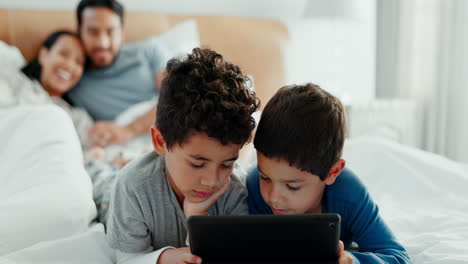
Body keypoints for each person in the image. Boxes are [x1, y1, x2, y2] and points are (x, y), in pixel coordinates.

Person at [106, 48, 260, 264]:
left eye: (227, 164)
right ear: (160, 141)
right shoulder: (133, 186)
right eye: (198, 164)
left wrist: (197, 221)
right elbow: (126, 258)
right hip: (112, 187)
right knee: (104, 179)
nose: (212, 181)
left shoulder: (235, 191)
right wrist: (162, 259)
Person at [246, 84, 411, 264]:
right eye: (265, 178)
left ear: (332, 172)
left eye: (292, 186)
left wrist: (352, 261)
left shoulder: (348, 193)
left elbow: (398, 257)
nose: (273, 197)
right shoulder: (253, 187)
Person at [66, 0, 169, 147]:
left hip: (166, 131)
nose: (102, 43)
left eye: (110, 31)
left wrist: (129, 129)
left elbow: (177, 99)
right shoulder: (72, 78)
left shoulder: (149, 52)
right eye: (93, 32)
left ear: (122, 33)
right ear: (79, 32)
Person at [1, 30, 92, 146]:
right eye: (63, 54)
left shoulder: (78, 119)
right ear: (43, 54)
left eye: (79, 62)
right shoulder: (13, 82)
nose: (69, 65)